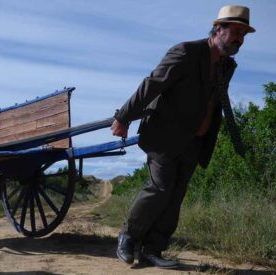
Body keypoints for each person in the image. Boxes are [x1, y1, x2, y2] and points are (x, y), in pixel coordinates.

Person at [111, 5, 255, 269]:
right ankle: (128, 238)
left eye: (243, 34)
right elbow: (151, 85)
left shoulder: (227, 65)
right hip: (164, 135)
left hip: (196, 140)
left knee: (176, 194)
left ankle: (153, 250)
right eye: (235, 31)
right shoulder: (187, 52)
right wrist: (123, 117)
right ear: (218, 29)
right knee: (160, 187)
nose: (239, 39)